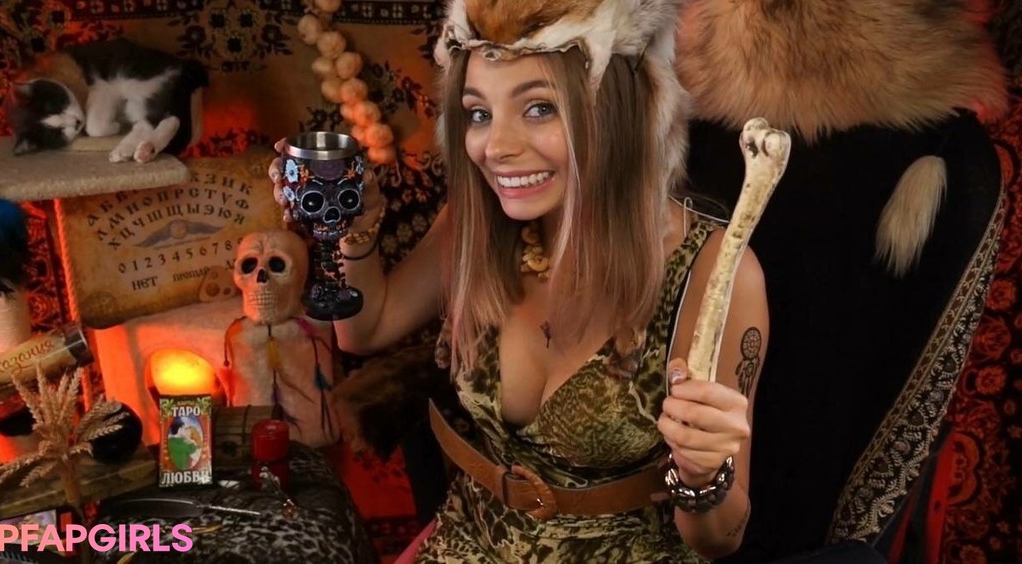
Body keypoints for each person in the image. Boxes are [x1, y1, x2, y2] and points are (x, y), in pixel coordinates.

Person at [270, 0, 769, 560]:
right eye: (479, 113)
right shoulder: (480, 225)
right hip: (470, 541)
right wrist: (353, 227)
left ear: (616, 110)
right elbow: (363, 331)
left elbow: (720, 540)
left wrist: (704, 477)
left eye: (539, 108)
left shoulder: (715, 273)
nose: (496, 148)